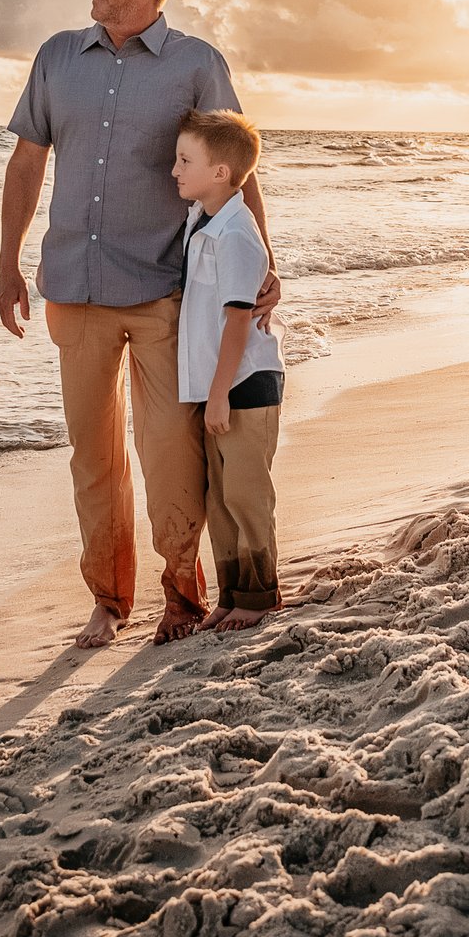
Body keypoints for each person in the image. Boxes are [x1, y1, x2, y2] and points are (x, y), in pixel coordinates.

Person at [0, 0, 280, 648]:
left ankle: (181, 593)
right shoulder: (59, 57)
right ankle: (108, 597)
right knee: (93, 457)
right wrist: (7, 262)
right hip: (74, 288)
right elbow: (27, 163)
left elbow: (235, 169)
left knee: (169, 453)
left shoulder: (195, 64)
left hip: (163, 294)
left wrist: (264, 261)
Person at [171, 109, 285, 632]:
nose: (174, 169)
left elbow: (239, 321)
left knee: (245, 492)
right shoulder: (204, 219)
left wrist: (218, 395)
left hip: (244, 384)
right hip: (218, 385)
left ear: (220, 173)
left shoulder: (238, 233)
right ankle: (231, 592)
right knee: (219, 498)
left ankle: (260, 595)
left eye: (185, 160)